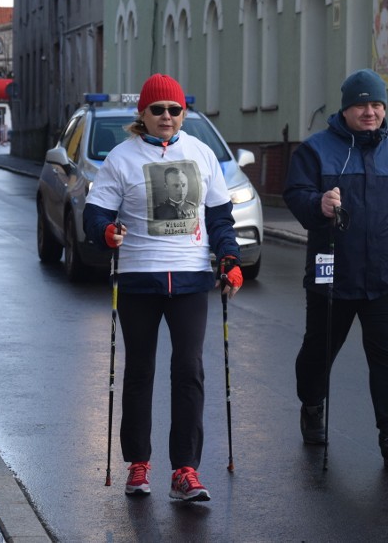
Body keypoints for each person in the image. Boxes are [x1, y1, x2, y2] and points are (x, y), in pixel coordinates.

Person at [83, 73, 243, 501]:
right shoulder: (120, 158)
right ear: (144, 114)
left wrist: (230, 259)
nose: (167, 117)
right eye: (158, 110)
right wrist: (107, 232)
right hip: (139, 279)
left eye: (174, 110)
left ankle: (185, 469)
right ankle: (138, 463)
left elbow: (221, 219)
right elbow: (94, 215)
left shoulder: (203, 153)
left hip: (190, 279)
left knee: (189, 370)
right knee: (139, 371)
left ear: (183, 113)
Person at [283, 68, 388, 467]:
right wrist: (317, 204)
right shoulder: (316, 149)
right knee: (320, 349)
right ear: (346, 108)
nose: (370, 112)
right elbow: (296, 194)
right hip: (330, 268)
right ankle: (313, 403)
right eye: (361, 105)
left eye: (376, 104)